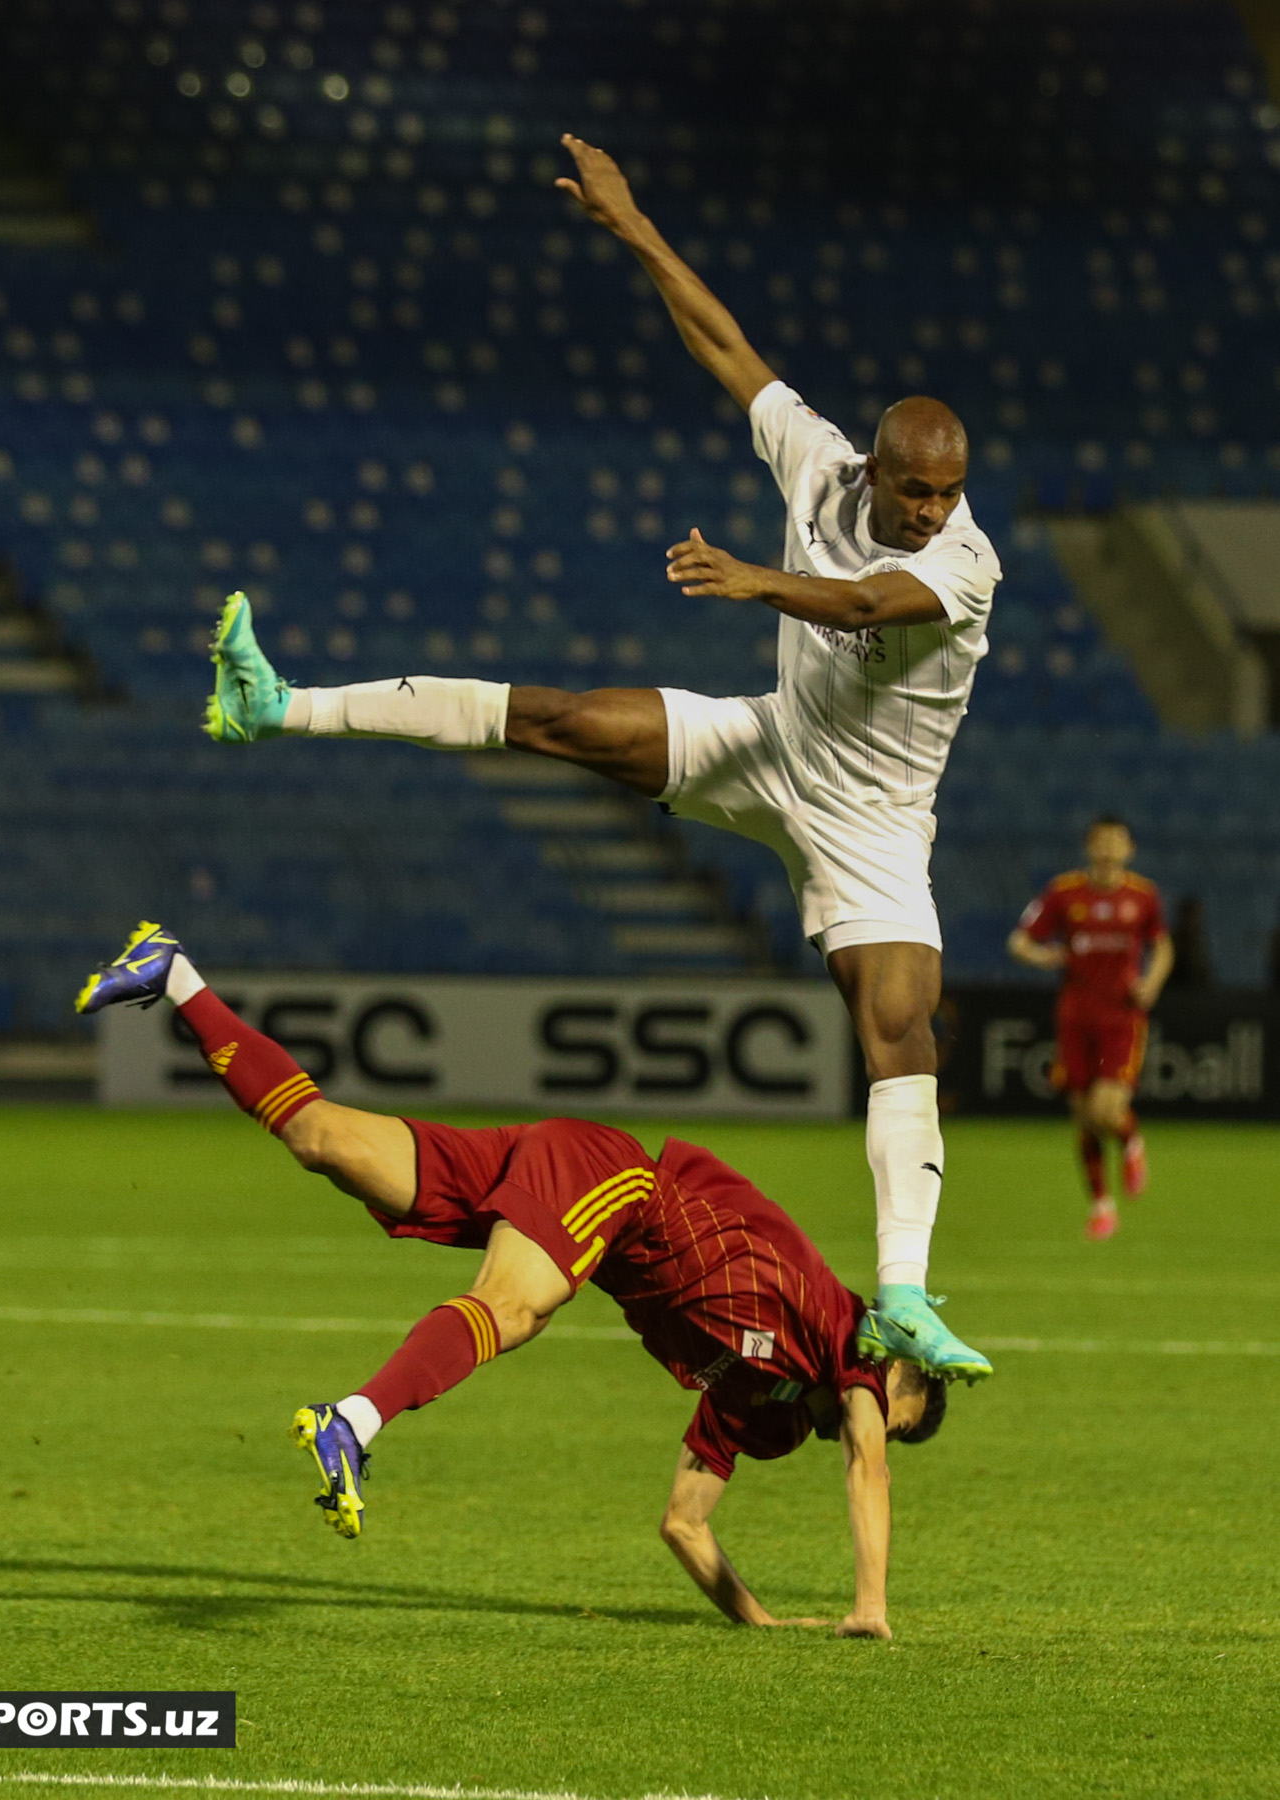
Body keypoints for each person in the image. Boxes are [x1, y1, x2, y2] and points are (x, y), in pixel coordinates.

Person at [198, 134, 1002, 1384]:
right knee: (557, 718)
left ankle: (900, 1291)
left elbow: (865, 609)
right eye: (914, 490)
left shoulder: (963, 563)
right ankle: (274, 703)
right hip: (774, 743)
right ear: (883, 466)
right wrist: (631, 226)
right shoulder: (824, 463)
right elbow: (726, 345)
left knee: (898, 1027)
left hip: (877, 820)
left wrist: (754, 584)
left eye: (944, 495)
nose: (929, 511)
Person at [78, 921, 950, 1639]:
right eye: (889, 1400)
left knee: (321, 1139)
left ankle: (174, 974)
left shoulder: (754, 1398)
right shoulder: (846, 1335)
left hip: (570, 1189)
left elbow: (683, 1523)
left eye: (880, 1412)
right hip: (618, 1191)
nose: (863, 1416)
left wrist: (758, 1621)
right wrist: (869, 1608)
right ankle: (353, 1421)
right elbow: (868, 1466)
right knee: (515, 1310)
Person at [1008, 816, 1173, 1240]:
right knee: (1083, 1119)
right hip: (1076, 1017)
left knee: (1105, 1110)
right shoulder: (1064, 893)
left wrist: (1151, 983)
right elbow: (1020, 941)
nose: (1108, 849)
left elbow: (1163, 946)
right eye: (1101, 842)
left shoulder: (1143, 896)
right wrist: (1045, 957)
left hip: (1121, 1018)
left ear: (1129, 849)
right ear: (1088, 847)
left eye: (1116, 842)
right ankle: (1102, 1205)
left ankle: (1131, 1141)